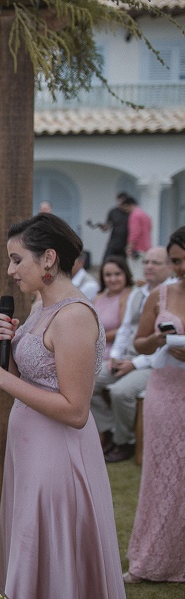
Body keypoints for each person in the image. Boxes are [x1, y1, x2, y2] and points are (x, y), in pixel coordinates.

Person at [0, 213, 125, 598]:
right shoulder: (40, 307)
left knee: (54, 548)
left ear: (48, 258)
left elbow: (75, 410)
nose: (11, 270)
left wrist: (0, 377)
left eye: (18, 260)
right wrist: (7, 347)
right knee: (31, 542)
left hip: (58, 454)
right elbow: (34, 378)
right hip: (30, 447)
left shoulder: (73, 317)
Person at [125, 226, 185, 584]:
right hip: (165, 388)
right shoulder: (160, 295)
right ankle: (150, 559)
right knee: (161, 475)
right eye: (175, 261)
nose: (180, 267)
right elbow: (139, 344)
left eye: (182, 260)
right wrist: (160, 339)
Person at [90, 247, 172, 463]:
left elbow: (167, 343)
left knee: (120, 392)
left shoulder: (172, 294)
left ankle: (124, 442)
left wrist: (134, 364)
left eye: (156, 263)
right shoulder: (138, 293)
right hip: (128, 357)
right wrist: (116, 356)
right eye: (146, 262)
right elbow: (126, 329)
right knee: (88, 382)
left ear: (170, 266)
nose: (149, 267)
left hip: (155, 363)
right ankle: (108, 430)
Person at [92, 255, 133, 346]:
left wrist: (96, 340)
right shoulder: (98, 297)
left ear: (126, 274)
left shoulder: (129, 296)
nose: (113, 279)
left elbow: (124, 330)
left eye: (117, 274)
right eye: (108, 275)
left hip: (114, 353)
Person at [89, 192, 130, 263]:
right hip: (114, 243)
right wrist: (102, 227)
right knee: (106, 261)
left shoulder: (130, 213)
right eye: (119, 201)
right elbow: (107, 226)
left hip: (125, 243)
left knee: (123, 264)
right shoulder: (113, 212)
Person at [121, 195, 151, 280]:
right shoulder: (145, 215)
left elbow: (135, 233)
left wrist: (129, 248)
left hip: (137, 250)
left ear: (128, 205)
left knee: (135, 274)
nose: (125, 211)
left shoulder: (134, 216)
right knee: (143, 273)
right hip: (146, 248)